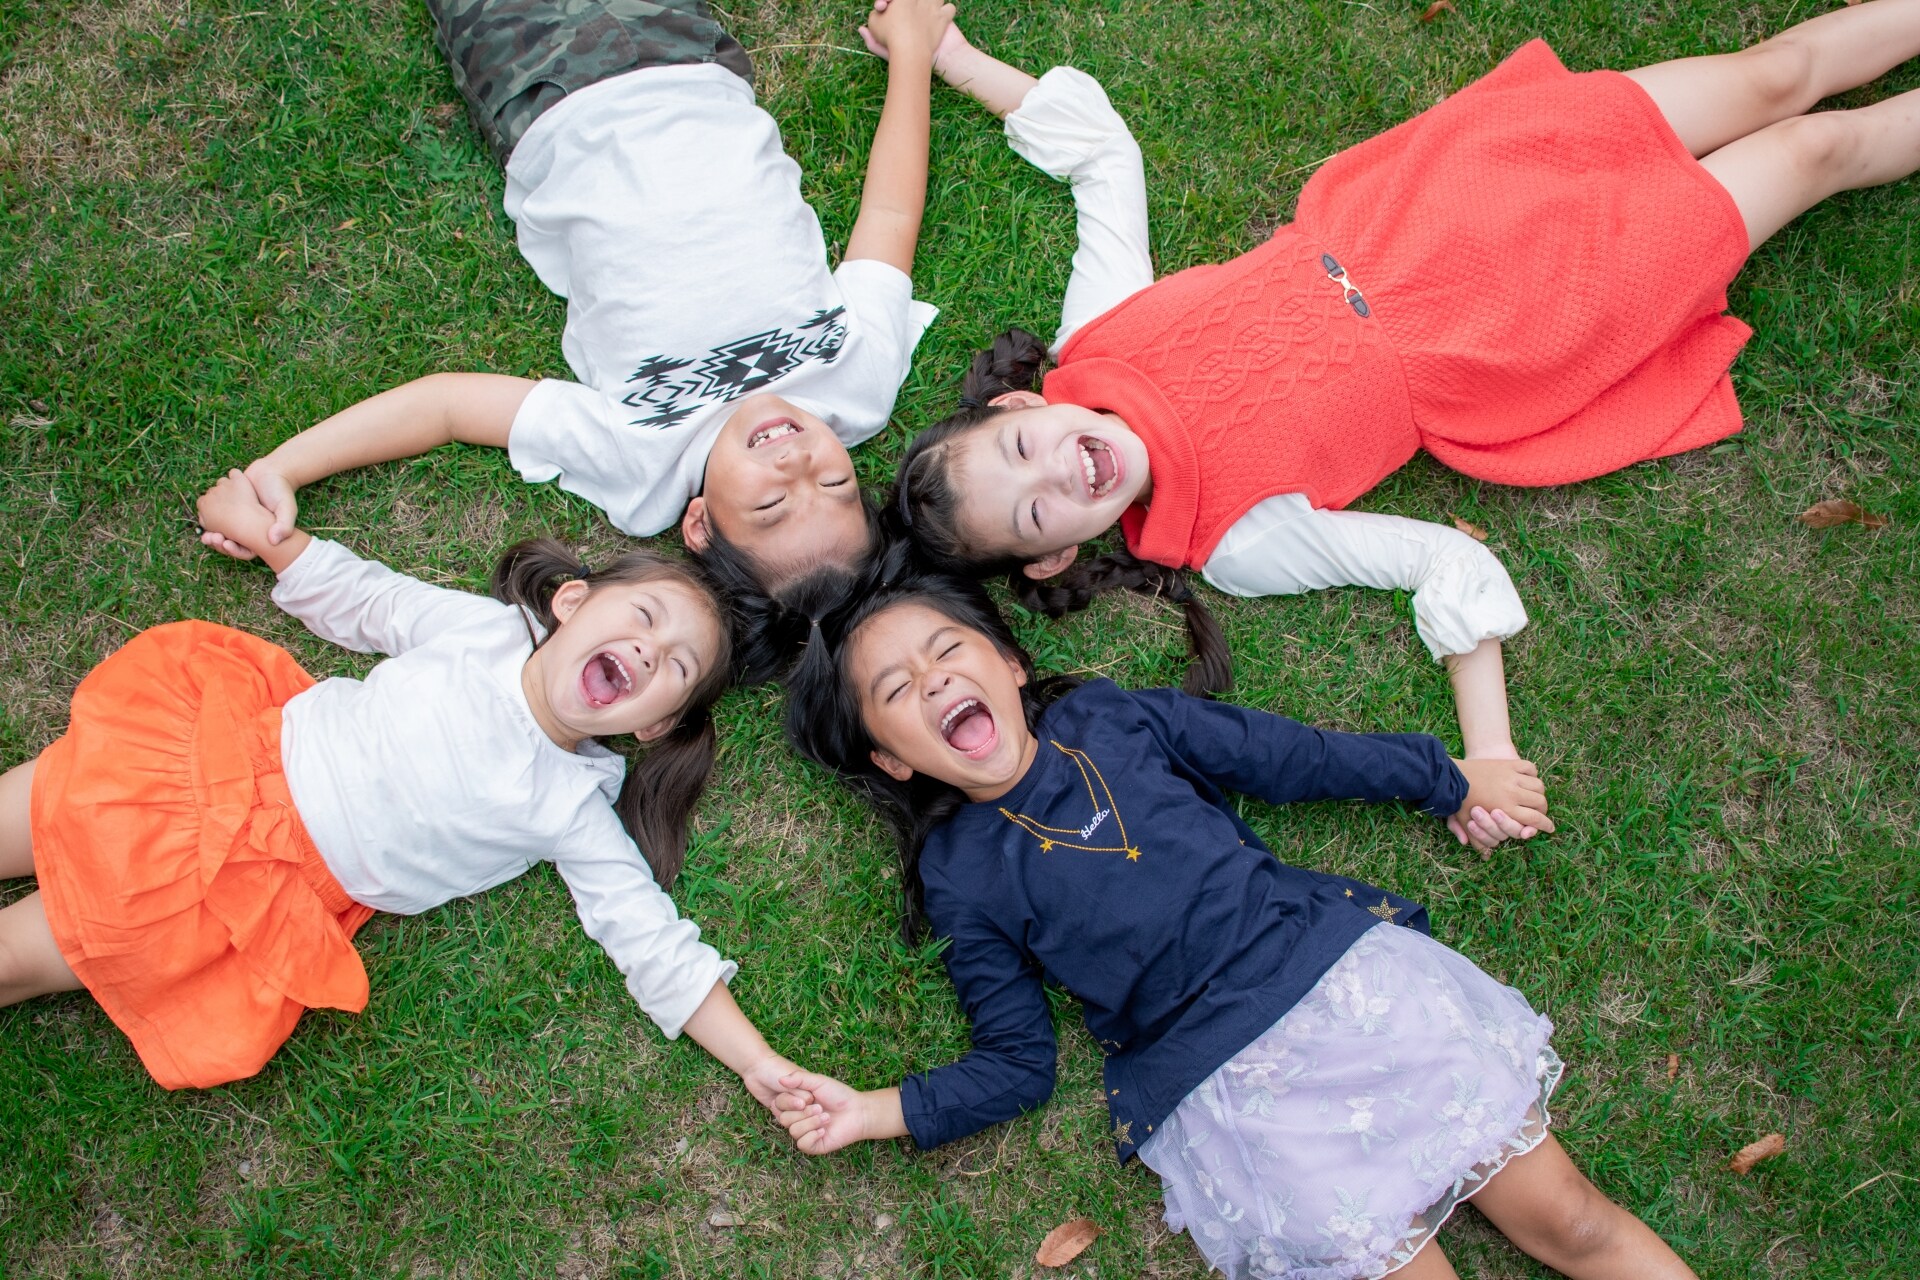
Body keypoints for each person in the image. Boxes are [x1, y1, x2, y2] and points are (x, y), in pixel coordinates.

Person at [889, 2, 1920, 788]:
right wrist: (1488, 753)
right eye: (1038, 513)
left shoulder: (1099, 336)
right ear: (1057, 556)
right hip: (1517, 330)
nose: (1061, 473)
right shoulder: (1236, 542)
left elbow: (1104, 161)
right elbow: (1434, 558)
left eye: (1021, 451)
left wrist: (949, 54)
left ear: (1021, 409)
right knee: (1812, 151)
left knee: (1774, 73)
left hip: (1441, 198)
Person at [766, 573, 1699, 1280]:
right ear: (892, 760)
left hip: (1337, 981)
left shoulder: (1108, 718)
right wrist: (873, 1112)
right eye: (897, 689)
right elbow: (1017, 1060)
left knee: (1574, 1221)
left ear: (1010, 665)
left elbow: (1284, 757)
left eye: (947, 649)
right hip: (1235, 1095)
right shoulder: (960, 872)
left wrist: (1447, 778)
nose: (934, 679)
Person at [0, 471, 801, 1106]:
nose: (651, 650)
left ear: (655, 725)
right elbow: (370, 600)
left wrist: (758, 1062)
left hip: (248, 890)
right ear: (571, 602)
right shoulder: (482, 632)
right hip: (204, 764)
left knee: (11, 959)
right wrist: (272, 538)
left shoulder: (572, 809)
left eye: (677, 667)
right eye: (646, 617)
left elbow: (652, 943)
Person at [206, 0, 957, 628]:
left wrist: (285, 467)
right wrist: (912, 51)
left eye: (769, 502)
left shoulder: (640, 465)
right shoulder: (858, 385)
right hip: (690, 59)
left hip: (545, 84)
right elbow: (891, 212)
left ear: (700, 523)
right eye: (835, 485)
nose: (797, 465)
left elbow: (448, 406)